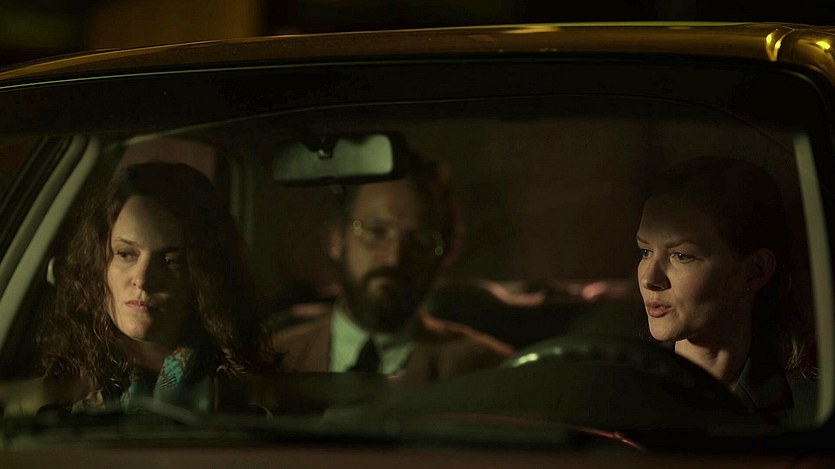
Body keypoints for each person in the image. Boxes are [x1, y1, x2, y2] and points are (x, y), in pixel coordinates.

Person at [5, 161, 264, 415]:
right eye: (126, 254)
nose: (142, 279)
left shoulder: (252, 397)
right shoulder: (44, 402)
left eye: (170, 260)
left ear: (205, 275)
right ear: (98, 264)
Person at [268, 158, 514, 382]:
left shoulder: (488, 370)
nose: (394, 258)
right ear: (336, 238)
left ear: (444, 255)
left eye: (419, 241)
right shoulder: (273, 362)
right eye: (377, 231)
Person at [635, 157, 815, 420]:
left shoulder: (811, 408)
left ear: (755, 271)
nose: (649, 279)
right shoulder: (621, 387)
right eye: (645, 251)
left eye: (682, 256)